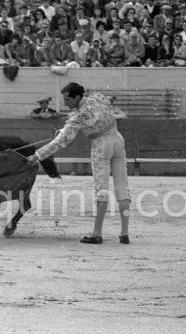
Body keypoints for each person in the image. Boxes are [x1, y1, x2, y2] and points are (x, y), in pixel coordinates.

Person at [27, 83, 131, 244]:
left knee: (101, 189)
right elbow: (117, 112)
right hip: (118, 140)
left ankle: (97, 233)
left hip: (101, 146)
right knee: (122, 188)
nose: (65, 103)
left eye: (67, 99)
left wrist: (37, 155)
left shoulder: (77, 117)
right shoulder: (98, 97)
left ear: (77, 97)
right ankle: (124, 233)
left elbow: (61, 142)